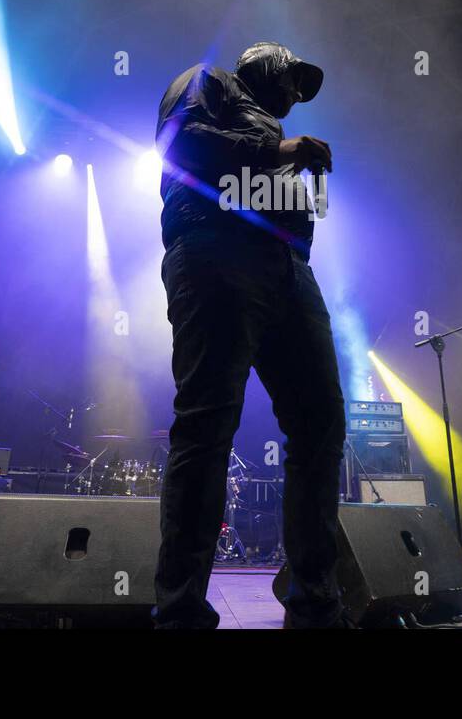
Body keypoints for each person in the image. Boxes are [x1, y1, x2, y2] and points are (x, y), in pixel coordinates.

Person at [152, 41, 348, 628]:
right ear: (260, 64)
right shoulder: (210, 79)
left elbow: (294, 204)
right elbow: (179, 141)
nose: (294, 93)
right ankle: (180, 610)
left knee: (321, 425)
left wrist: (300, 191)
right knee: (207, 422)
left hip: (289, 269)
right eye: (290, 78)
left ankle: (316, 602)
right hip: (215, 252)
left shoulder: (277, 134)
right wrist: (280, 148)